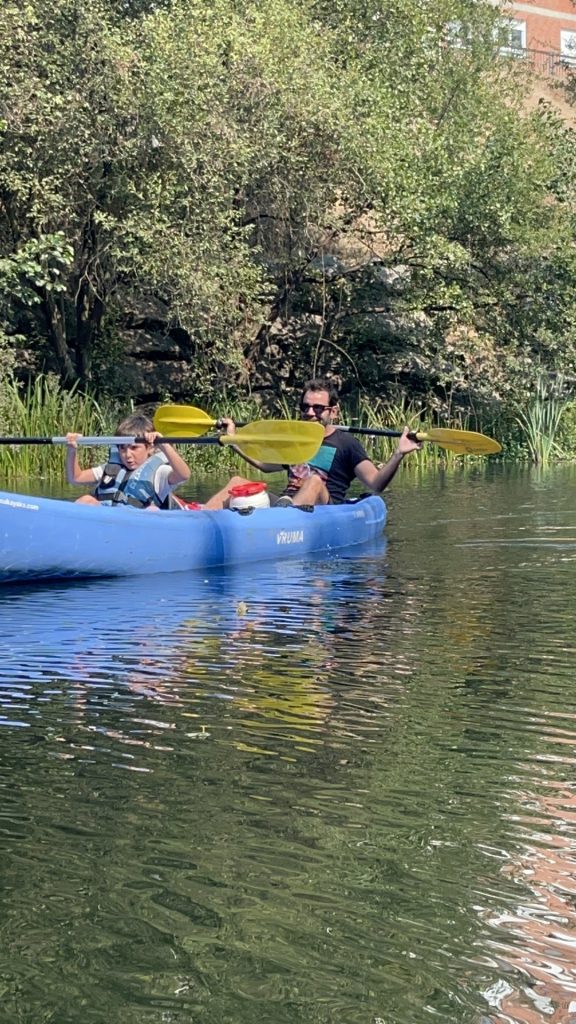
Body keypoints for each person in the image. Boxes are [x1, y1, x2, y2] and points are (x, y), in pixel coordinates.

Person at [204, 378, 421, 510]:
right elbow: (264, 465)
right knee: (237, 481)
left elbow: (376, 483)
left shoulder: (346, 444)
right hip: (286, 503)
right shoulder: (296, 440)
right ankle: (201, 517)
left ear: (333, 412)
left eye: (318, 408)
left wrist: (399, 453)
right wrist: (233, 440)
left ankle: (285, 521)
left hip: (325, 510)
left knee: (314, 481)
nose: (310, 413)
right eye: (305, 407)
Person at [65, 412, 191, 509]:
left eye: (134, 448)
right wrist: (72, 450)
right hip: (108, 517)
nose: (127, 455)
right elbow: (76, 478)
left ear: (150, 448)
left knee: (152, 510)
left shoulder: (160, 473)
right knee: (86, 499)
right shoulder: (109, 469)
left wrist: (164, 446)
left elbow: (183, 475)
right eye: (122, 448)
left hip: (136, 521)